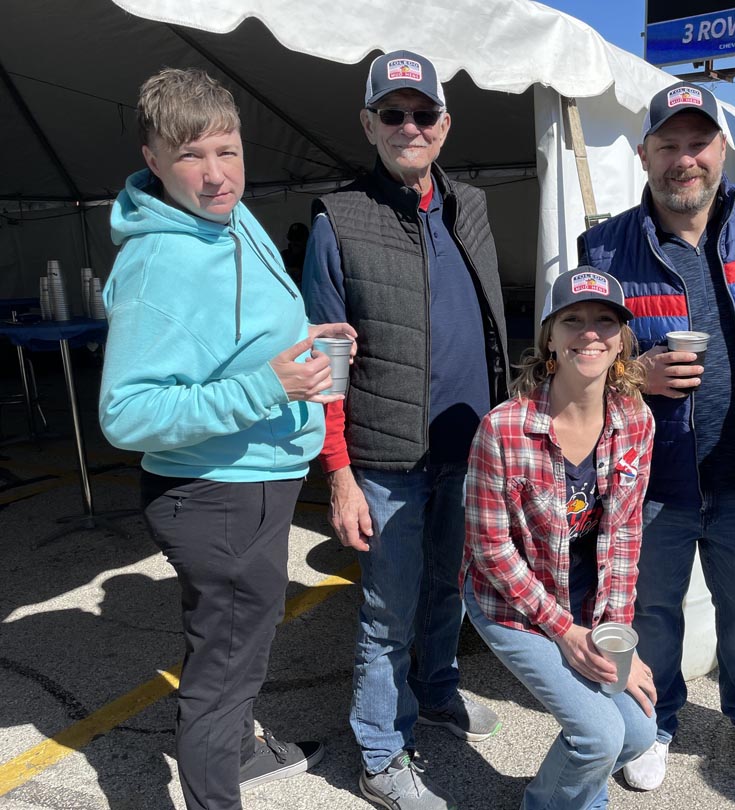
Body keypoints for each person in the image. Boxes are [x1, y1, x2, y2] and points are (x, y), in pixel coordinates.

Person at [98, 68, 356, 810]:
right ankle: (220, 788)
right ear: (152, 160)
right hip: (216, 491)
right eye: (192, 156)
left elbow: (232, 334)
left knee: (236, 640)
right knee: (226, 672)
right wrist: (269, 386)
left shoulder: (228, 218)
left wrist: (305, 338)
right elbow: (127, 414)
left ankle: (241, 752)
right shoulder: (158, 262)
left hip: (258, 476)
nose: (217, 176)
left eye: (229, 151)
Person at [302, 49, 509, 809]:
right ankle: (381, 753)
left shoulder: (472, 206)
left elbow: (492, 328)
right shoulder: (338, 219)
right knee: (387, 611)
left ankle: (438, 693)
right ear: (368, 123)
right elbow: (325, 364)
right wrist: (340, 474)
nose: (409, 126)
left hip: (469, 448)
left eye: (423, 113)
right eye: (393, 113)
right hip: (384, 460)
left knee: (447, 591)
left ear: (445, 126)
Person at [578, 81, 735, 790]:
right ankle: (657, 721)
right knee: (653, 614)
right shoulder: (605, 244)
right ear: (643, 154)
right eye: (668, 144)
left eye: (697, 143)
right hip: (654, 481)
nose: (684, 159)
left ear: (722, 148)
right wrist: (629, 372)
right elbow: (574, 358)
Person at [463, 266, 657, 809]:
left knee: (638, 732)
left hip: (588, 605)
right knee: (599, 735)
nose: (589, 333)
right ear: (550, 336)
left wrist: (616, 635)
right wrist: (566, 633)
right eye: (573, 320)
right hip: (511, 604)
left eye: (605, 321)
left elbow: (625, 535)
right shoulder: (502, 428)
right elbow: (491, 551)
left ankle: (558, 794)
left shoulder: (636, 420)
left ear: (621, 341)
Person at [281, 221, 309, 288]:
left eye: (298, 239)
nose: (294, 242)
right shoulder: (283, 256)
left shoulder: (310, 258)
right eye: (292, 238)